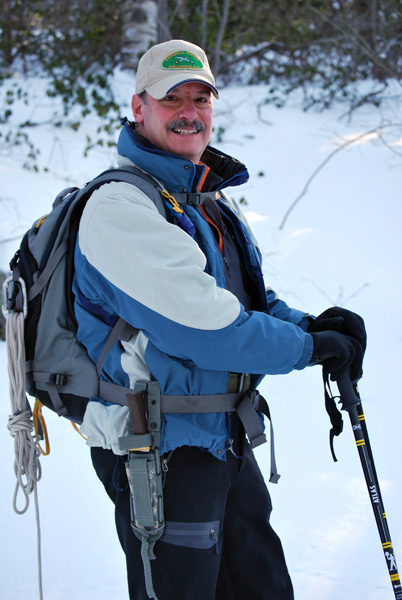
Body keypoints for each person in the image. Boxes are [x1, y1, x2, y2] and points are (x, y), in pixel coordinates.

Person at [73, 39, 366, 600]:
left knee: (262, 587)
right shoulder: (120, 210)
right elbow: (205, 330)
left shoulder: (201, 199)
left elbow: (245, 303)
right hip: (159, 452)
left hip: (223, 441)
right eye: (172, 98)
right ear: (139, 108)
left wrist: (314, 328)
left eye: (200, 97)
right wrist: (306, 350)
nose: (189, 112)